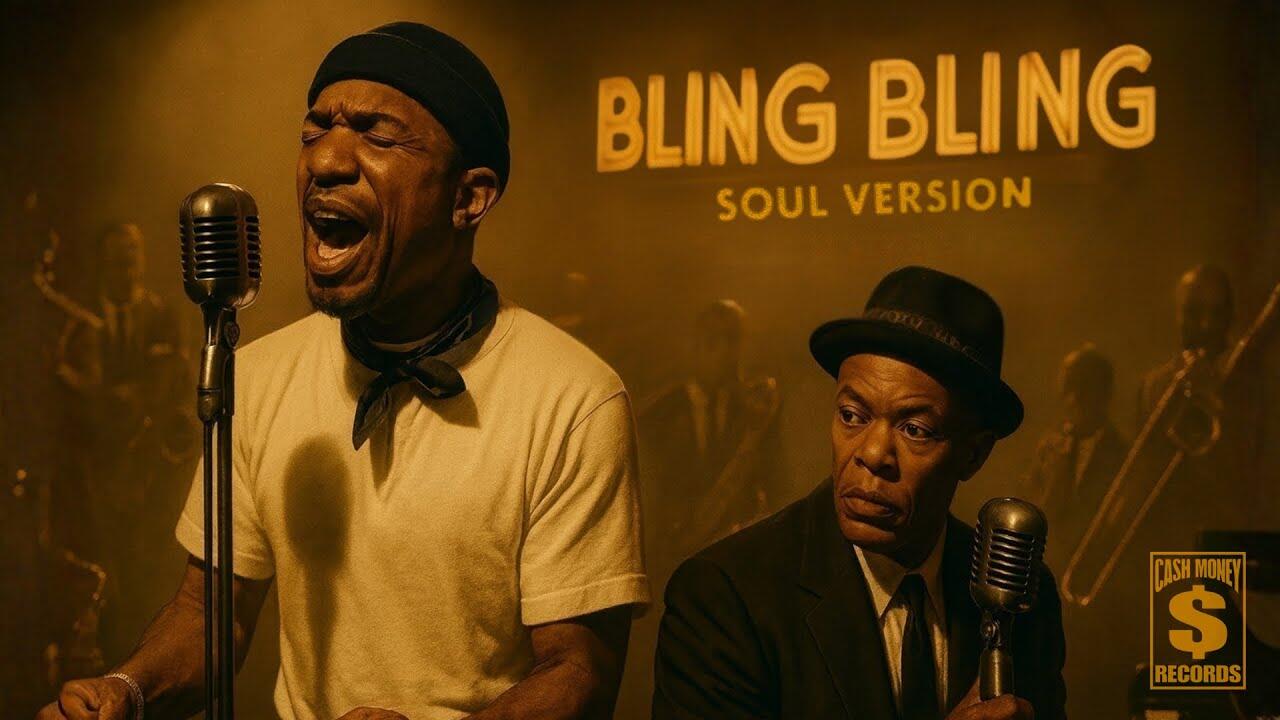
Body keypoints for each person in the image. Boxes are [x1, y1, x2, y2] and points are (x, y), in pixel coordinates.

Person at [39, 22, 647, 720]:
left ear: (468, 198)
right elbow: (209, 614)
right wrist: (126, 691)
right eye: (314, 131)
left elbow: (580, 673)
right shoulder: (258, 376)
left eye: (377, 136)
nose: (326, 160)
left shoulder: (573, 398)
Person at [653, 267, 1066, 720]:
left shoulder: (1022, 600)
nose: (871, 454)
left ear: (974, 454)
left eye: (915, 429)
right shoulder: (724, 597)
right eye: (852, 415)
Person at [1022, 342, 1126, 572]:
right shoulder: (1048, 447)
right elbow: (1032, 506)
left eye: (1084, 388)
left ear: (1105, 394)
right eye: (1068, 388)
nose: (1073, 399)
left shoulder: (1122, 455)